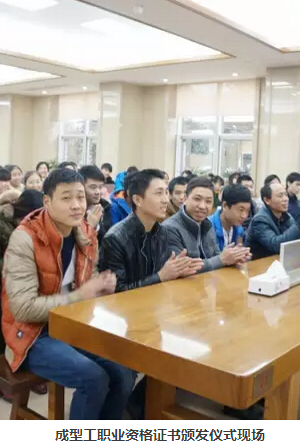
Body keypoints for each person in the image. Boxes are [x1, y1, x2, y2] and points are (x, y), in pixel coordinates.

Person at [2, 168, 136, 420]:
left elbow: (89, 285)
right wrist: (82, 295)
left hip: (73, 325)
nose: (76, 205)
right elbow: (22, 308)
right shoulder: (25, 238)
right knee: (93, 378)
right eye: (66, 198)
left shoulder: (85, 233)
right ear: (47, 201)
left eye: (80, 197)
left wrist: (101, 289)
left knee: (124, 371)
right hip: (32, 335)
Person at [98, 169, 203, 420]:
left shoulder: (161, 232)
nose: (166, 199)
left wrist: (178, 271)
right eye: (159, 193)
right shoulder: (115, 238)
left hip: (152, 314)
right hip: (120, 322)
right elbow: (115, 295)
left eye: (166, 192)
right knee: (124, 375)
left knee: (190, 343)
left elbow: (162, 278)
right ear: (137, 199)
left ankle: (142, 405)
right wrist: (162, 276)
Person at [0, 188, 44, 357]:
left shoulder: (38, 225)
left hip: (26, 282)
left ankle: (31, 353)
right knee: (14, 310)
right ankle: (4, 355)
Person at [163, 177, 251, 273]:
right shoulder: (170, 228)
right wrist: (221, 259)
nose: (202, 206)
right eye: (197, 199)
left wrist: (234, 257)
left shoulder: (206, 224)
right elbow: (182, 269)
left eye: (208, 201)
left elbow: (217, 255)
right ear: (185, 199)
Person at [246, 183, 300, 260]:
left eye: (286, 195)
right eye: (280, 196)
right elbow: (276, 246)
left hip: (279, 262)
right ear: (267, 200)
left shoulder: (287, 217)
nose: (286, 199)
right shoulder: (260, 220)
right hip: (259, 264)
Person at [209, 184, 251, 250]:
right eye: (241, 210)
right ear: (225, 206)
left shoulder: (239, 230)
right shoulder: (207, 228)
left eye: (247, 211)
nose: (244, 216)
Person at [78, 165, 113, 243]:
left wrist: (97, 226)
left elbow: (107, 240)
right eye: (93, 187)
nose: (98, 192)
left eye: (100, 187)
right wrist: (91, 225)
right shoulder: (74, 210)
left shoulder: (106, 207)